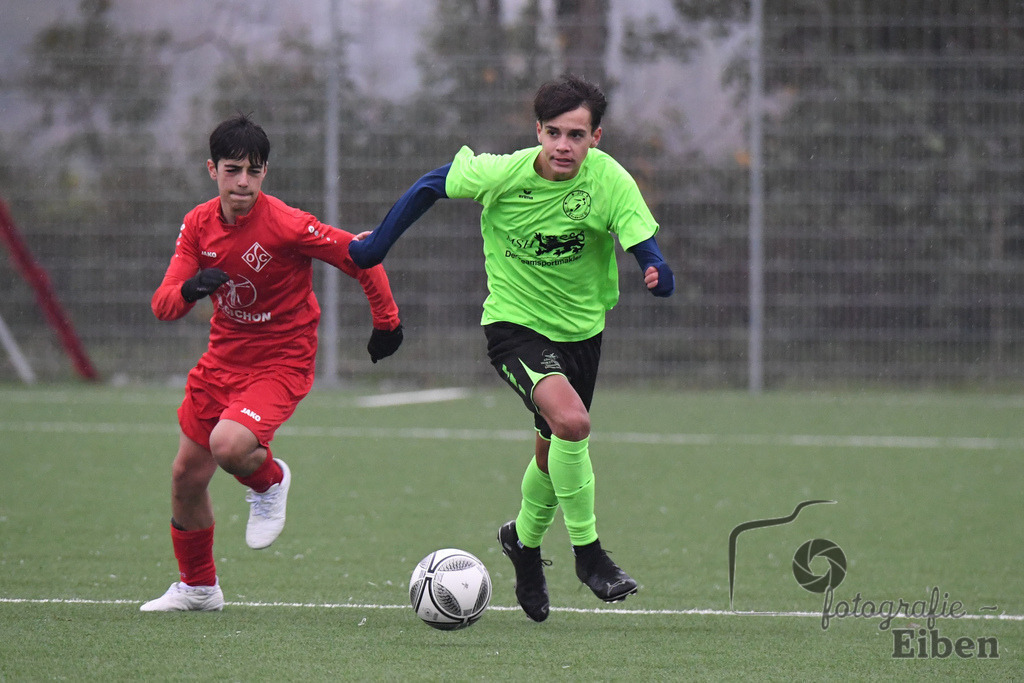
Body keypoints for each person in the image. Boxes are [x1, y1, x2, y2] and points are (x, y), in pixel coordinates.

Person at [348, 74, 674, 622]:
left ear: (596, 136)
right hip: (514, 328)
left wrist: (655, 267)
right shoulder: (504, 173)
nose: (563, 146)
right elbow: (432, 182)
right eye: (553, 133)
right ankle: (590, 557)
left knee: (553, 450)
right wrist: (378, 244)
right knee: (571, 423)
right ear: (538, 131)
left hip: (582, 335)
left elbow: (641, 239)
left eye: (577, 134)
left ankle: (521, 543)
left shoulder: (609, 180)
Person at [142, 113, 404, 612]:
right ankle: (199, 589)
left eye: (254, 171)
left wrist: (386, 322)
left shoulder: (286, 223)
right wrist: (191, 288)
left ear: (265, 173)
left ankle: (271, 481)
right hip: (221, 361)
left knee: (229, 444)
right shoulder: (198, 224)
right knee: (185, 479)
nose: (243, 181)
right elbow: (163, 305)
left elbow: (362, 252)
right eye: (233, 169)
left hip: (281, 362)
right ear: (212, 169)